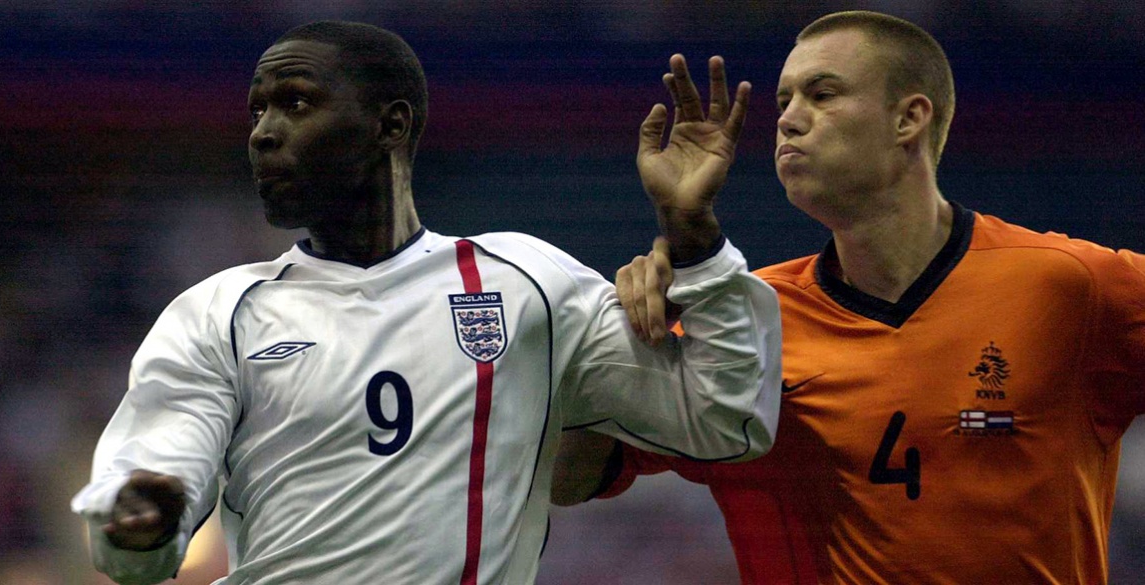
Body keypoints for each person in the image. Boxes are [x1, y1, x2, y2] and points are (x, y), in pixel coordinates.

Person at [69, 20, 783, 585]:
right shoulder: (217, 312)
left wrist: (693, 236)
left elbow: (728, 419)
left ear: (391, 124)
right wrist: (141, 513)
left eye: (294, 102)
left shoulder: (526, 283)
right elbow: (145, 507)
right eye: (257, 109)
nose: (262, 131)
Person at [553, 10, 1145, 584]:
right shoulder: (744, 328)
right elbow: (566, 477)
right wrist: (623, 339)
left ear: (908, 118)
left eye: (822, 94)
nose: (787, 119)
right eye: (784, 102)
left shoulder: (1071, 288)